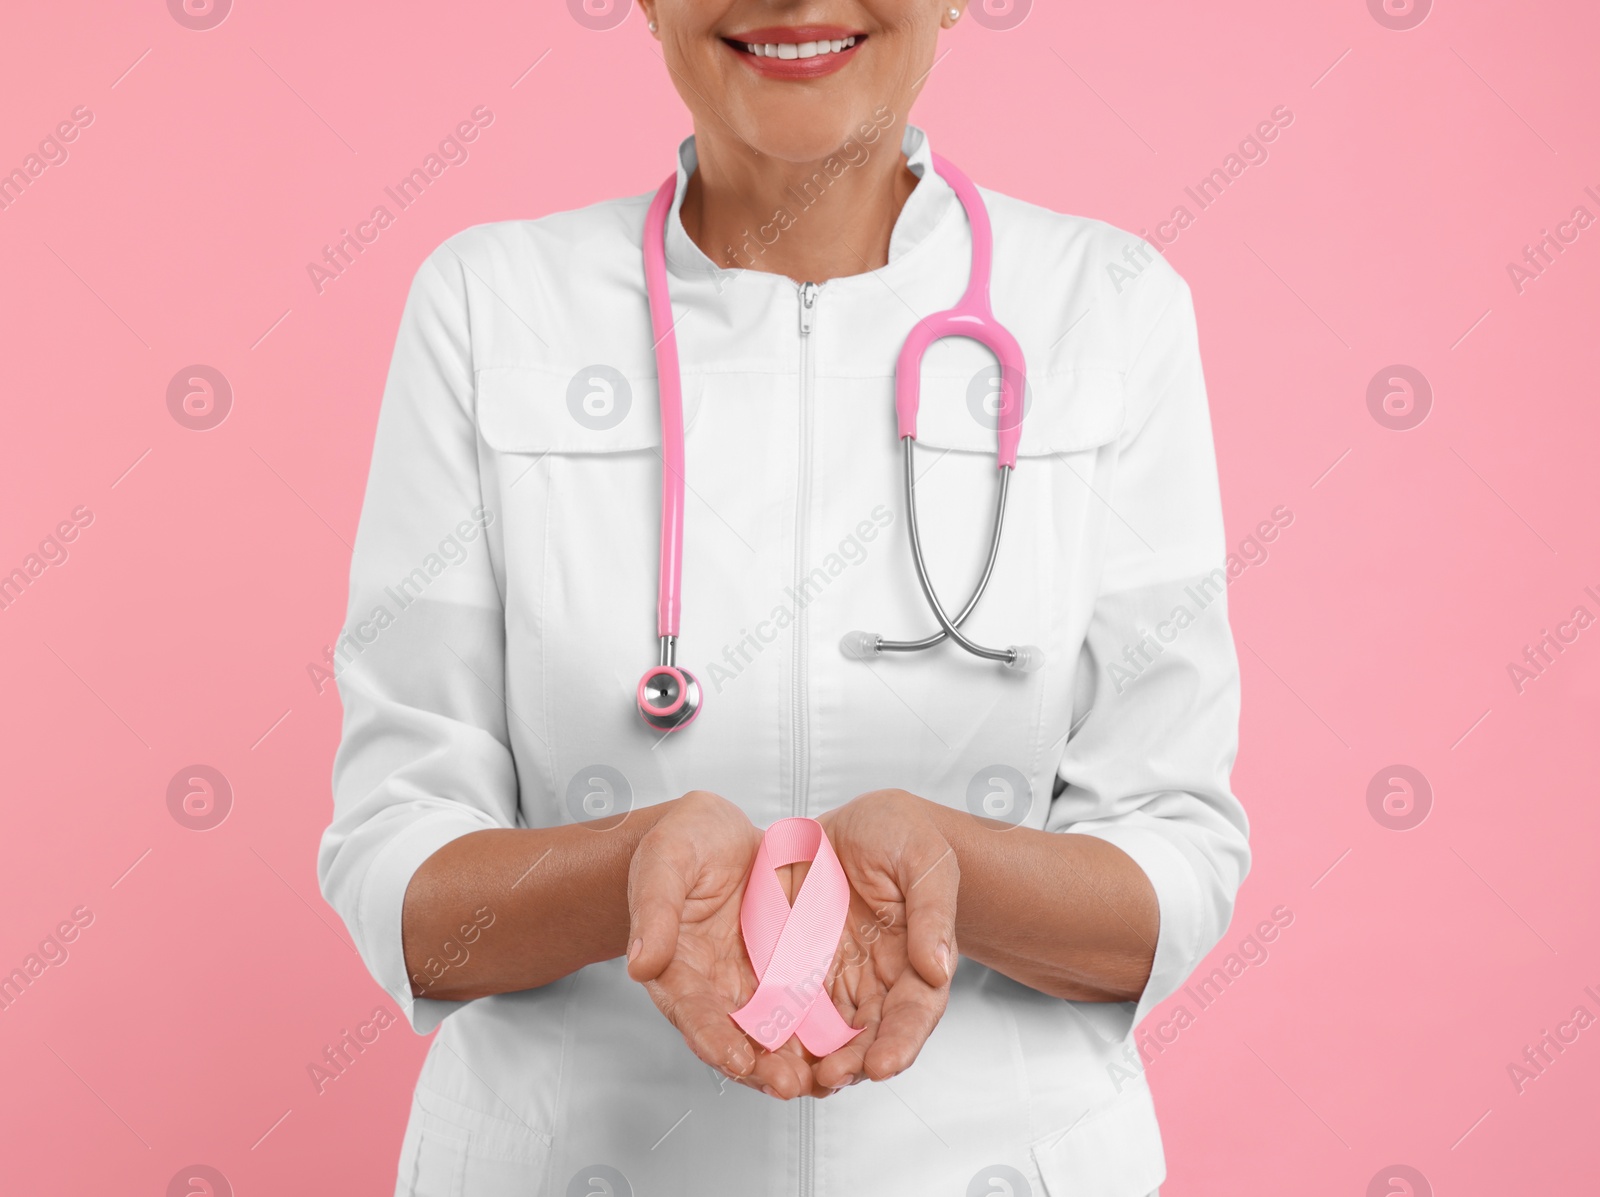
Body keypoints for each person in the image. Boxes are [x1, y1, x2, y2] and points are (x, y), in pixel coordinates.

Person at [317, 3, 1249, 1193]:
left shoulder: (1108, 306)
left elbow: (1174, 869)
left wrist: (949, 868)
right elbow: (402, 887)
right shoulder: (492, 306)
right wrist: (637, 869)